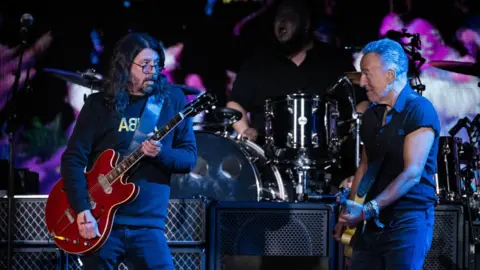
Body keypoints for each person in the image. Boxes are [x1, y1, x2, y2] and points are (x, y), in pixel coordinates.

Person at [61, 32, 197, 269]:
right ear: (125, 65)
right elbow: (72, 159)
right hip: (101, 222)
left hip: (148, 225)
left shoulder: (172, 100)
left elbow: (189, 158)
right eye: (144, 65)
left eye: (156, 65)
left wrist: (161, 153)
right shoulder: (99, 105)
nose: (152, 71)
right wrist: (82, 209)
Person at [333, 38, 440, 270]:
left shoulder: (419, 110)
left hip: (407, 221)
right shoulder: (372, 115)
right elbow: (365, 166)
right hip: (371, 223)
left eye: (367, 74)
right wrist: (351, 213)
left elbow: (411, 174)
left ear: (390, 75)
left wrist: (366, 211)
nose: (361, 82)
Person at [227, 0, 370, 145]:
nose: (281, 20)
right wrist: (246, 132)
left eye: (288, 15)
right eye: (278, 16)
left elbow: (361, 102)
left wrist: (351, 132)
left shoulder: (335, 59)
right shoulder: (258, 62)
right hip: (268, 158)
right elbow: (235, 104)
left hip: (328, 158)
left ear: (305, 23)